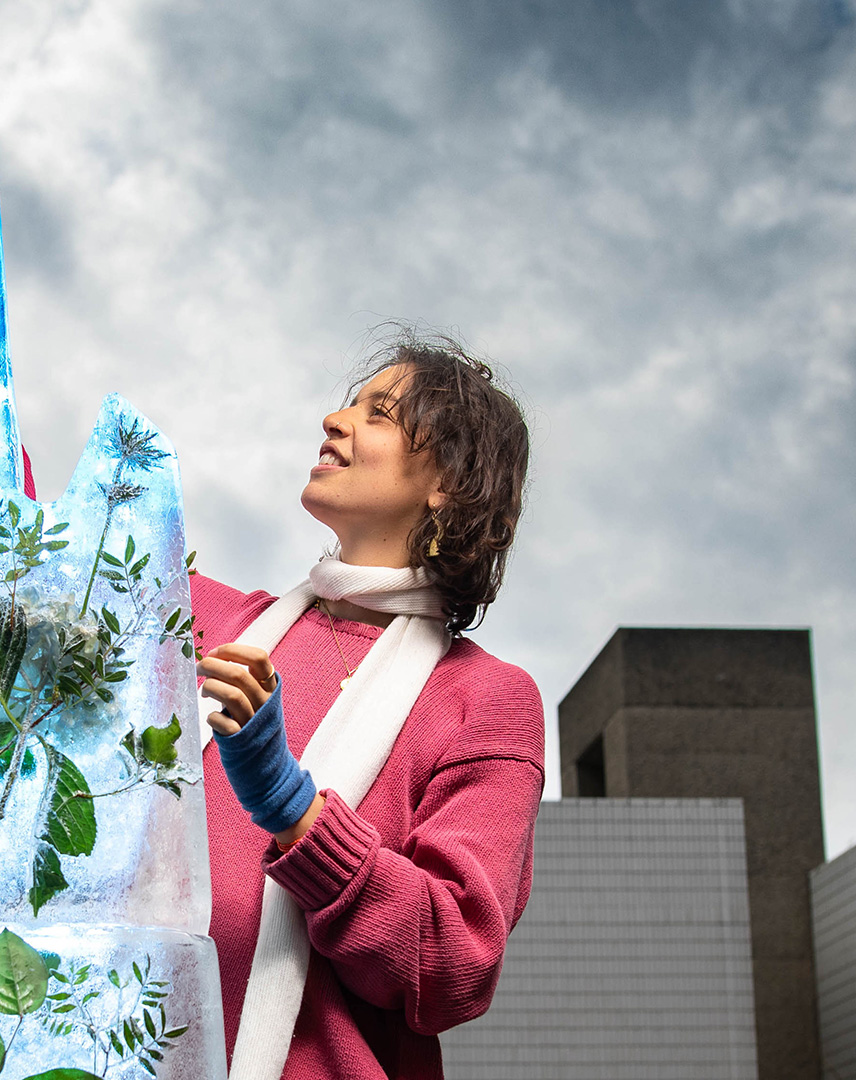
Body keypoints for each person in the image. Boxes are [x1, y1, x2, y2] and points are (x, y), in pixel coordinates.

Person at [192, 331, 542, 1080]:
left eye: (377, 413)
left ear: (447, 479)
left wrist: (295, 810)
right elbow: (28, 543)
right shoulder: (211, 625)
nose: (335, 420)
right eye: (349, 404)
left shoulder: (485, 700)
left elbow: (451, 965)